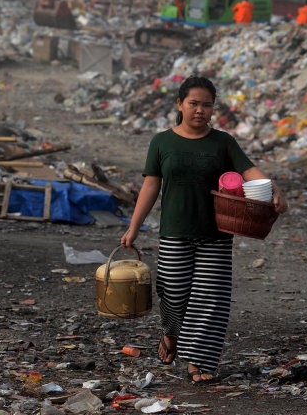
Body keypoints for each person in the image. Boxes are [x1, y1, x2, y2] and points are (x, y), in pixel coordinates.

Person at [120, 76, 288, 383]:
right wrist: (134, 227)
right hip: (174, 230)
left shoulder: (223, 142)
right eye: (194, 103)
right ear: (180, 104)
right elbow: (150, 185)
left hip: (216, 233)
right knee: (171, 293)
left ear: (213, 108)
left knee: (210, 298)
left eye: (207, 104)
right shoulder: (162, 141)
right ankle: (171, 334)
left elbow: (249, 170)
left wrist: (273, 187)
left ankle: (198, 361)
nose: (200, 110)